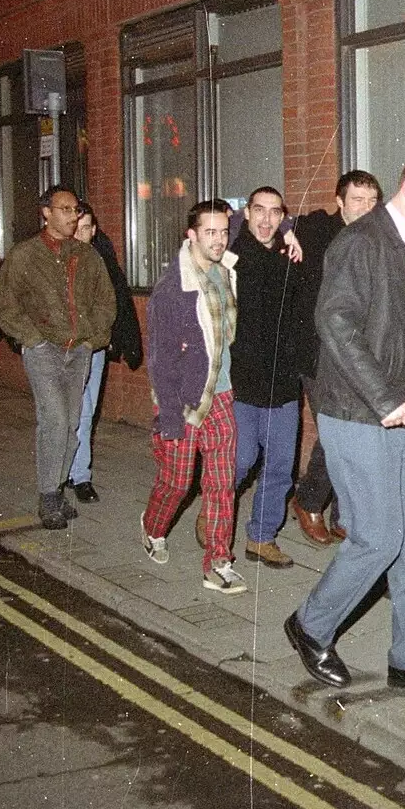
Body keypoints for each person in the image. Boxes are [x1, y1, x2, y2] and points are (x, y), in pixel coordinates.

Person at [283, 150, 405, 696]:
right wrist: (387, 399)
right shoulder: (360, 242)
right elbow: (334, 323)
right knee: (379, 537)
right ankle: (311, 626)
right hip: (360, 414)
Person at [141, 199, 247, 594]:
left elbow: (248, 217)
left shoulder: (222, 269)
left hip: (220, 397)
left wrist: (285, 226)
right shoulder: (172, 291)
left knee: (221, 483)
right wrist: (169, 413)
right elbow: (160, 361)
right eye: (210, 233)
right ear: (191, 235)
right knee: (177, 482)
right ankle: (153, 528)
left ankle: (218, 562)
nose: (220, 240)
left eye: (223, 232)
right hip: (183, 401)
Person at [0, 186, 116, 530]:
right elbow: (7, 304)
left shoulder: (87, 256)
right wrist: (32, 340)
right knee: (55, 419)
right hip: (44, 350)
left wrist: (91, 339)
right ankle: (49, 494)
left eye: (75, 210)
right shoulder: (25, 255)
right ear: (45, 213)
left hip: (78, 350)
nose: (72, 216)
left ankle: (58, 486)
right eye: (64, 209)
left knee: (72, 423)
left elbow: (106, 301)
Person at [288, 169, 382, 545]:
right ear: (339, 201)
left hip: (357, 352)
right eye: (357, 200)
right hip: (317, 352)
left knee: (356, 430)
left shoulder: (376, 237)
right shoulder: (315, 229)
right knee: (336, 432)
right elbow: (271, 220)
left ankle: (345, 514)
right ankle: (309, 498)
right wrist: (284, 232)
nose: (366, 208)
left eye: (372, 201)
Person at [229, 186, 306, 569]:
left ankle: (261, 537)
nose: (266, 219)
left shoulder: (289, 254)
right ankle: (214, 514)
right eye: (258, 210)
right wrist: (289, 228)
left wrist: (291, 233)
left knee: (279, 465)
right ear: (246, 213)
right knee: (240, 460)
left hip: (283, 379)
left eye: (276, 213)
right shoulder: (230, 254)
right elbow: (217, 222)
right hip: (241, 378)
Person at [68, 202, 144, 504]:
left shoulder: (102, 257)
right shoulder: (55, 257)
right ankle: (59, 474)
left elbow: (120, 298)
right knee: (64, 414)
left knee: (86, 411)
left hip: (93, 346)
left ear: (94, 229)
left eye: (86, 228)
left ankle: (80, 475)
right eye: (76, 227)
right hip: (61, 350)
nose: (81, 234)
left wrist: (127, 341)